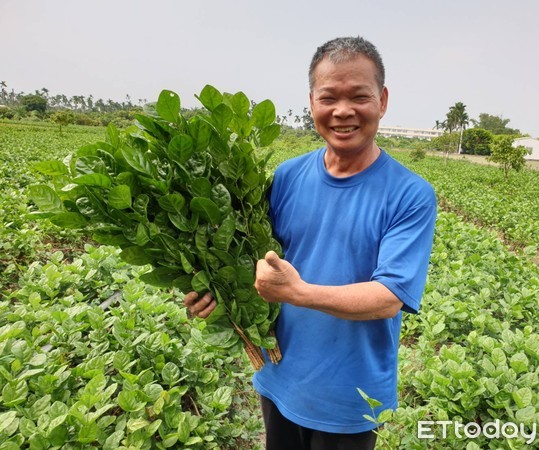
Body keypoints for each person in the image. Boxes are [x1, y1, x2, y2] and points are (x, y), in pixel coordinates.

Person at [184, 36, 437, 450]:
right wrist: (215, 295)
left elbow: (389, 296)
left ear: (383, 100)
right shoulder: (286, 176)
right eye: (329, 97)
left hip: (349, 400)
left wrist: (299, 293)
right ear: (311, 102)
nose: (343, 111)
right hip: (278, 379)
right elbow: (253, 258)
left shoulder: (410, 194)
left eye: (359, 96)